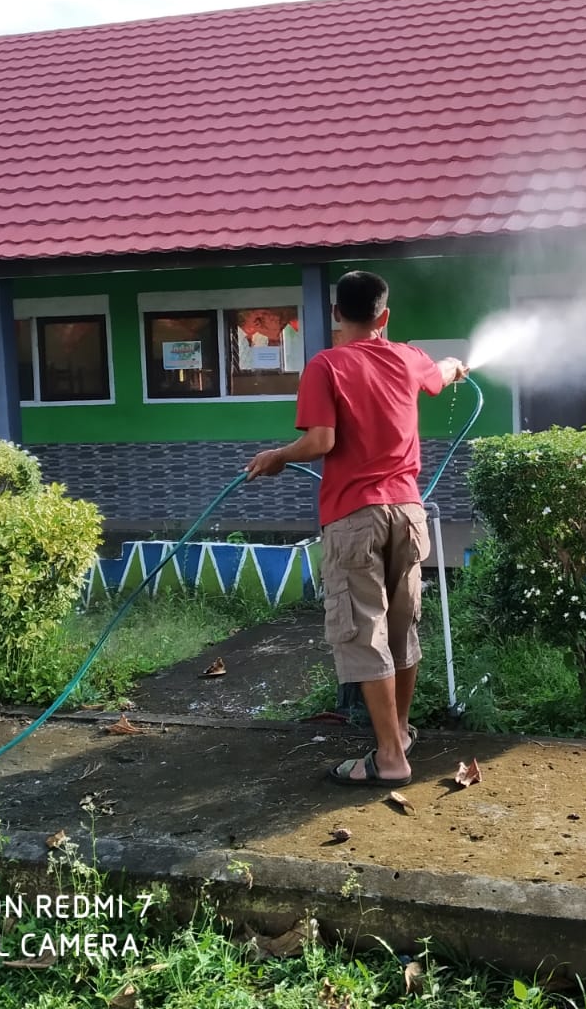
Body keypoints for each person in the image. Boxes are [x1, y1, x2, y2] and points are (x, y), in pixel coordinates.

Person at [245, 271, 467, 788]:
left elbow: (321, 440)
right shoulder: (409, 357)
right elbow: (440, 372)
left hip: (355, 517)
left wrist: (277, 457)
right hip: (408, 513)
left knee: (364, 633)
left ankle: (390, 758)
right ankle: (401, 733)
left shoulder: (325, 365)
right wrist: (455, 367)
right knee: (401, 627)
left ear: (335, 314)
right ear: (384, 317)